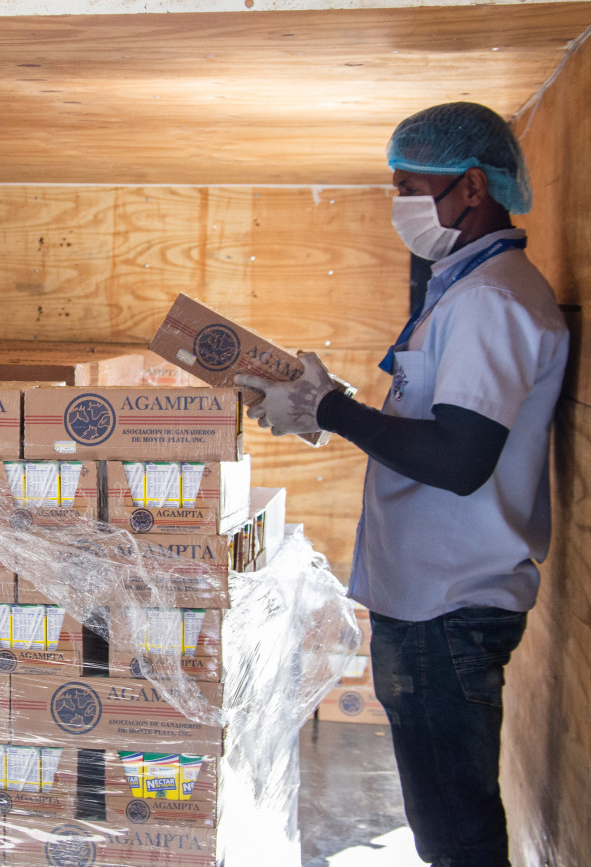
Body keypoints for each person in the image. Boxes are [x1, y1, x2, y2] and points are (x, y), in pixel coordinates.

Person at [237, 102, 568, 866]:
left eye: (409, 188)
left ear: (473, 186)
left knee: (456, 835)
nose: (399, 206)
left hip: (448, 608)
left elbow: (458, 458)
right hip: (430, 603)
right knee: (444, 823)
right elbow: (436, 422)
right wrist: (322, 409)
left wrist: (332, 408)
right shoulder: (465, 287)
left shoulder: (491, 299)